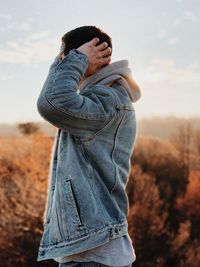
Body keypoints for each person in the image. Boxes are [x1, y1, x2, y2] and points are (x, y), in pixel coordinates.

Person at [36, 25, 141, 267]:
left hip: (94, 253)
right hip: (90, 250)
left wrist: (77, 57)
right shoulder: (98, 99)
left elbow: (51, 102)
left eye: (67, 56)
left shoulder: (108, 101)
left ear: (91, 55)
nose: (64, 62)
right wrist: (71, 57)